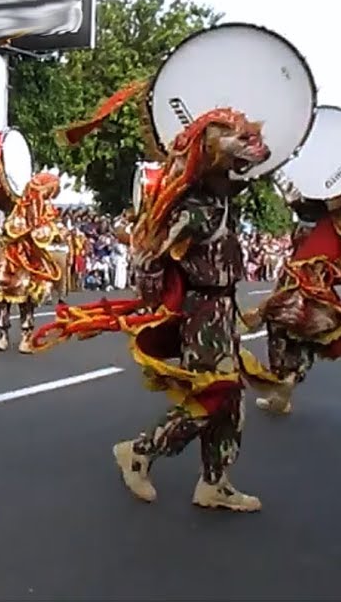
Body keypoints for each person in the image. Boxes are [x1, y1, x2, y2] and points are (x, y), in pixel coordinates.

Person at [34, 107, 282, 512]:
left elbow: (263, 159)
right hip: (202, 311)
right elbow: (149, 258)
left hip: (220, 308)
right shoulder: (194, 210)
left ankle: (214, 482)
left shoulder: (217, 198)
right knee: (212, 397)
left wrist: (252, 143)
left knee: (230, 402)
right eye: (238, 146)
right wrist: (157, 300)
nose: (248, 157)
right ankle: (139, 451)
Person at [243, 199, 341, 414]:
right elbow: (340, 271)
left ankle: (283, 384)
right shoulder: (330, 232)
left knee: (280, 333)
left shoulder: (309, 232)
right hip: (314, 298)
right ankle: (288, 383)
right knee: (304, 343)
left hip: (295, 290)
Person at [0, 173, 67, 353]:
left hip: (31, 253)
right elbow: (12, 228)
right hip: (13, 251)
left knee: (29, 295)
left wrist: (53, 233)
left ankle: (26, 337)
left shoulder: (46, 211)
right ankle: (3, 335)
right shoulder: (19, 206)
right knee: (0, 287)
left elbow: (48, 231)